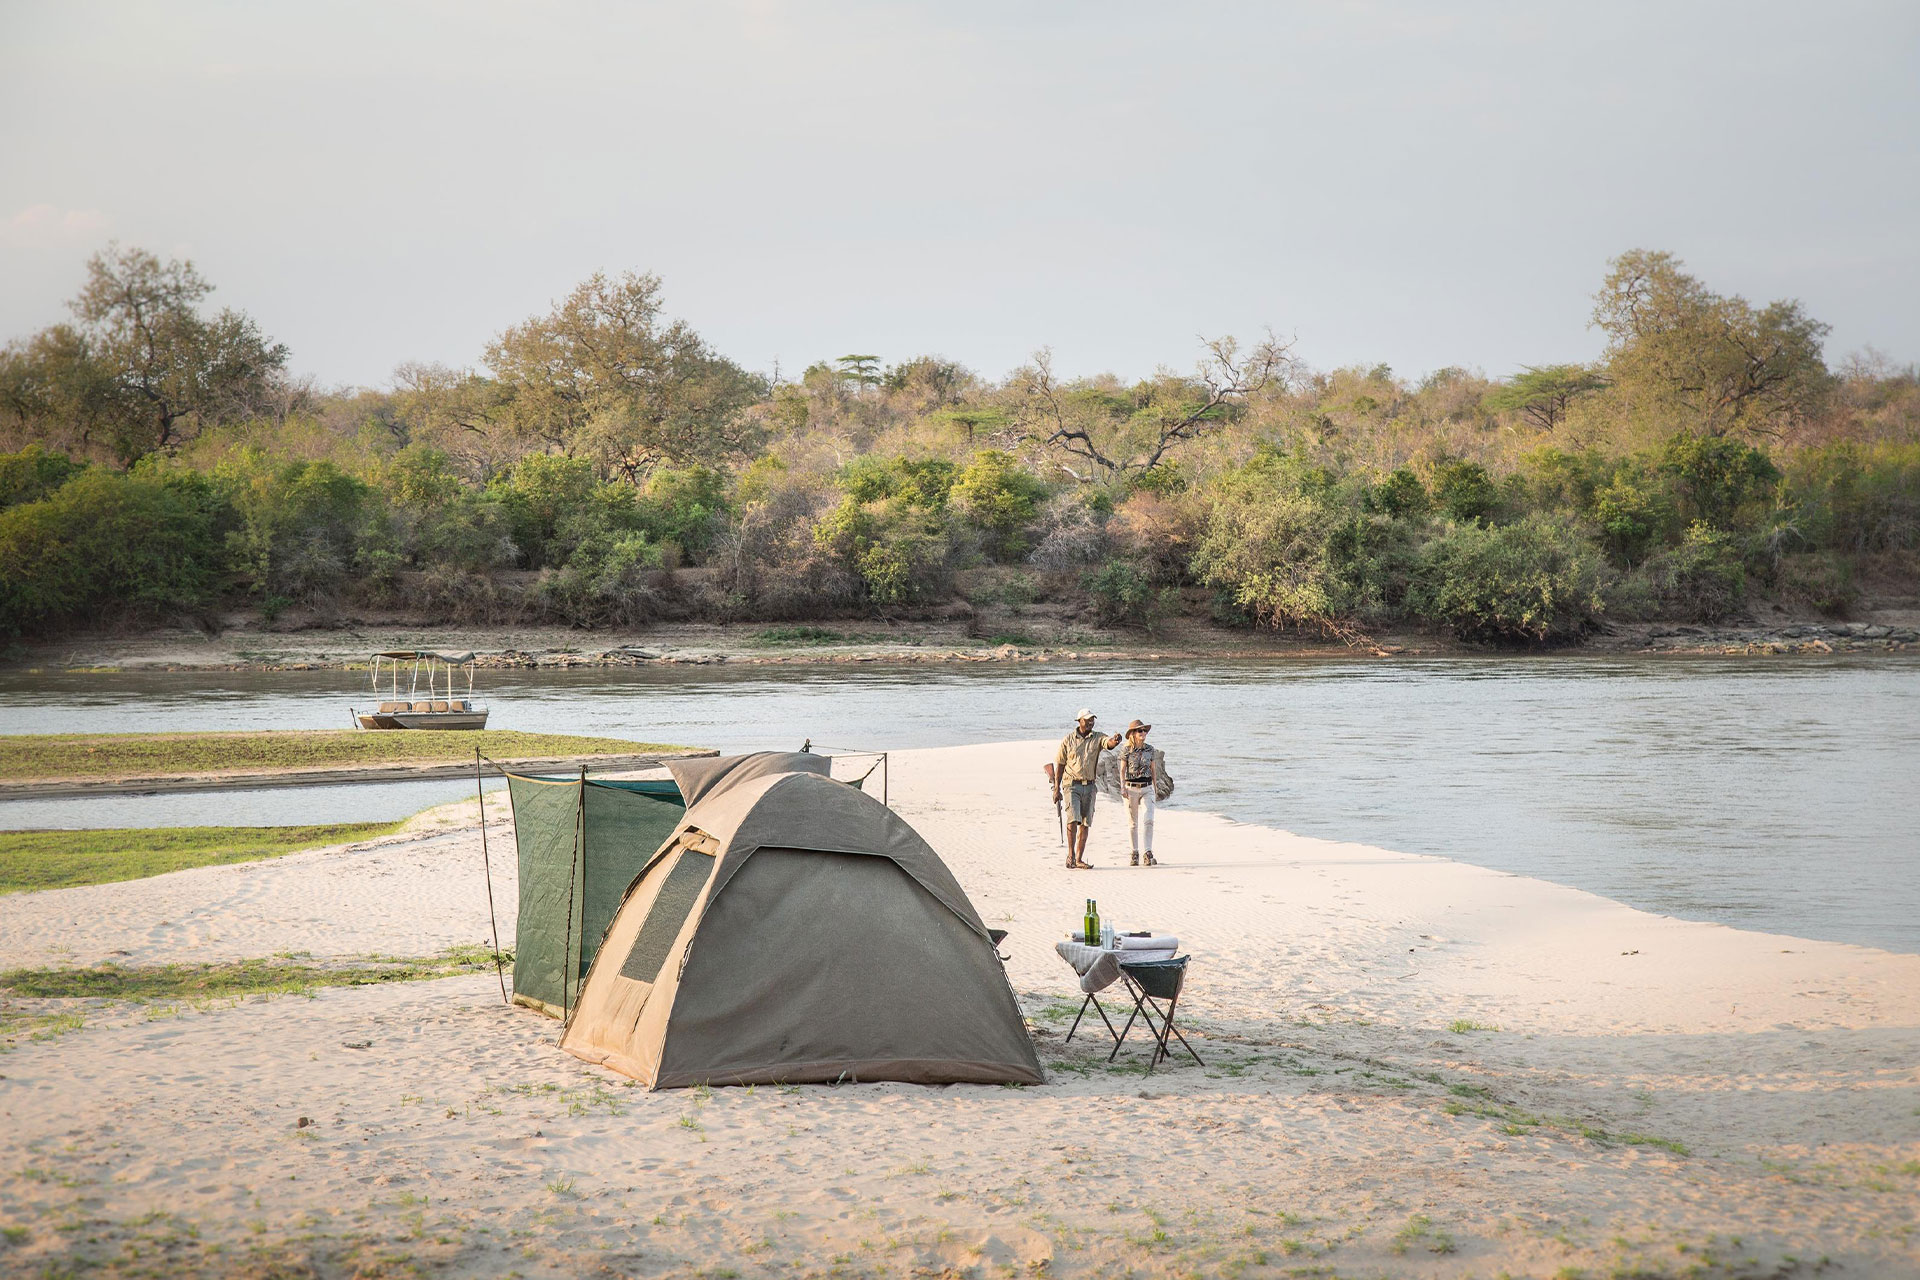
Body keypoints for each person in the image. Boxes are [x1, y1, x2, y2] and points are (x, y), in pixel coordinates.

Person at [1053, 709, 1120, 869]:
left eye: (1093, 720)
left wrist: (1115, 741)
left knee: (1085, 823)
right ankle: (1071, 855)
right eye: (1088, 720)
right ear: (1079, 721)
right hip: (1071, 785)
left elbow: (1108, 743)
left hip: (1090, 786)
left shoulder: (1097, 737)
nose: (1091, 722)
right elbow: (1060, 765)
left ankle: (1079, 859)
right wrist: (1056, 788)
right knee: (1072, 820)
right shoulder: (1068, 740)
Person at [1119, 719, 1160, 867]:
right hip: (1131, 788)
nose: (1143, 733)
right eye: (1140, 731)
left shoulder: (1150, 749)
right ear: (1133, 734)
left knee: (1148, 819)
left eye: (1145, 731)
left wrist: (1156, 787)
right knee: (1133, 823)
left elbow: (1154, 769)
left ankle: (1148, 852)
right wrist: (1122, 787)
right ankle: (1134, 852)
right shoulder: (1126, 749)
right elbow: (1122, 770)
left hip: (1147, 787)